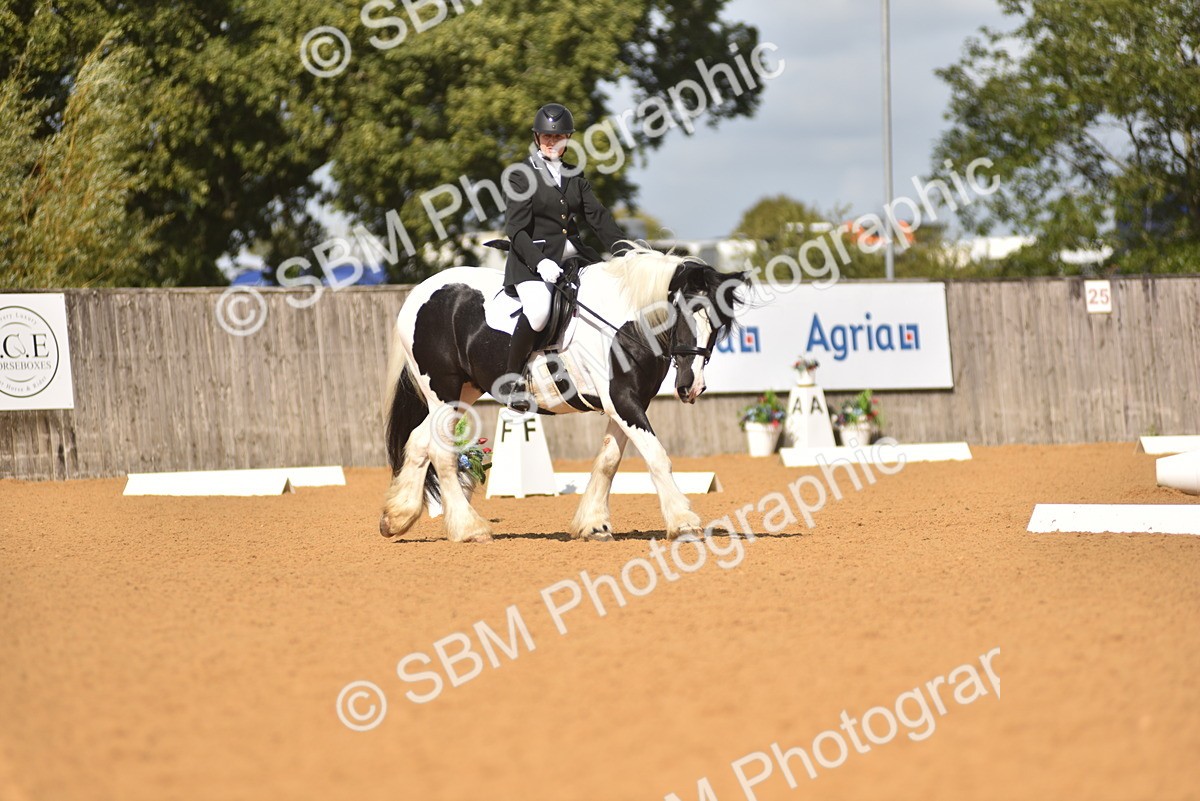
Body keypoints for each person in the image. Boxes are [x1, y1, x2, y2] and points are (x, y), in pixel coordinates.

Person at [496, 102, 630, 411]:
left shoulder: (573, 174)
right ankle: (511, 381)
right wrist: (540, 262)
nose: (552, 142)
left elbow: (598, 217)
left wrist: (627, 252)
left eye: (558, 137)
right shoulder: (520, 176)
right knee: (539, 311)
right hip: (532, 262)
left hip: (574, 259)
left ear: (567, 138)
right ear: (537, 138)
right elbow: (516, 230)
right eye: (547, 136)